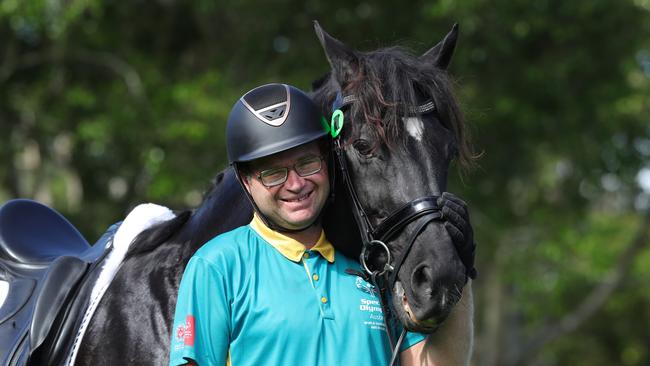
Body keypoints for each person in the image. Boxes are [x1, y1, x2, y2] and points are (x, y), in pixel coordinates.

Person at [169, 83, 476, 366]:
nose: (295, 184)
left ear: (327, 161)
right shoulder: (217, 266)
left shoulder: (374, 266)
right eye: (273, 174)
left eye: (307, 163)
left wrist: (457, 267)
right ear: (247, 181)